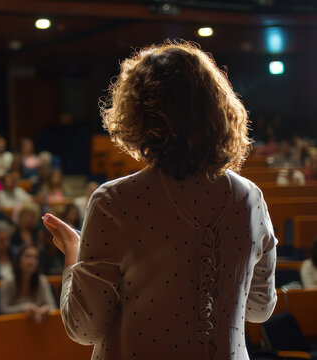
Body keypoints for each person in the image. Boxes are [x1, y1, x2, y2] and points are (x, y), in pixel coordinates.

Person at [41, 41, 277, 360]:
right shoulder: (251, 197)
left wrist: (73, 252)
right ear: (218, 108)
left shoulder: (116, 201)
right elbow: (260, 310)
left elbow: (85, 328)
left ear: (139, 113)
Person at [0, 245, 56, 321]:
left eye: (35, 258)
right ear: (19, 259)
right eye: (28, 256)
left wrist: (46, 309)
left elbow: (52, 305)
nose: (32, 261)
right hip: (13, 325)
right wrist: (24, 308)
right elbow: (3, 309)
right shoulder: (8, 281)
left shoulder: (41, 280)